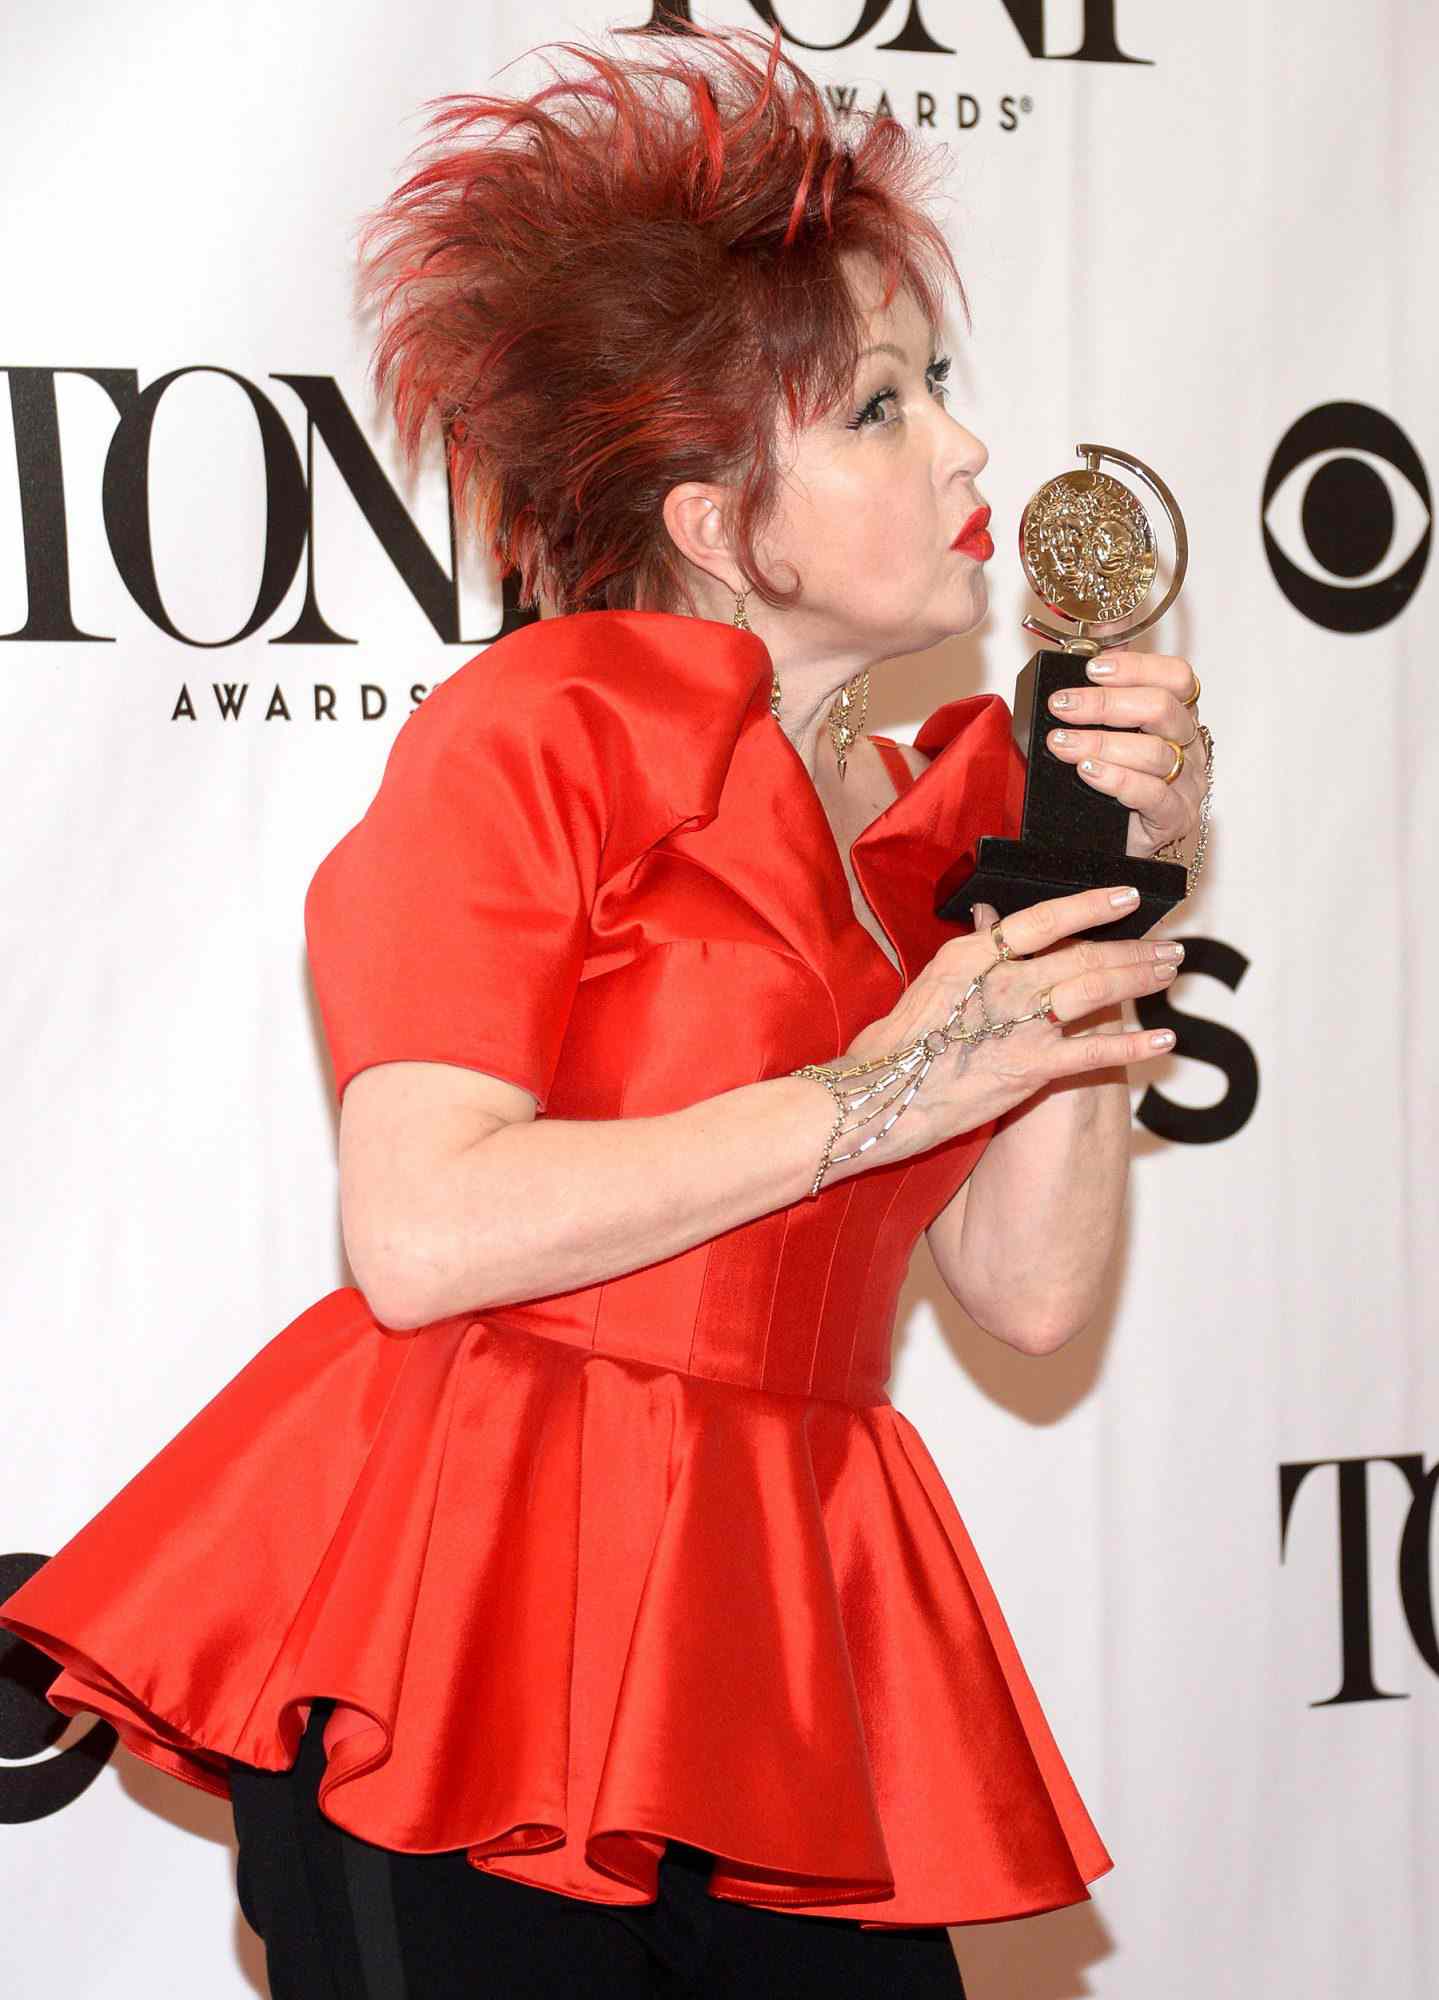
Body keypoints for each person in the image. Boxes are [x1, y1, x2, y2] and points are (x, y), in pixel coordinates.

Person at [0, 21, 1211, 1996]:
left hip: (781, 1628)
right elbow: (423, 1229)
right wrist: (878, 1086)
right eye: (885, 409)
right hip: (470, 1628)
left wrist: (1096, 890)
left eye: (940, 391)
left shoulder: (921, 837)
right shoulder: (537, 730)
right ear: (717, 519)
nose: (972, 451)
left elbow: (1033, 1293)